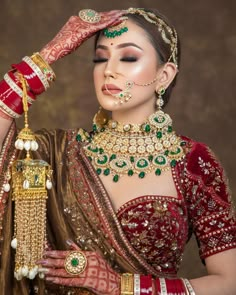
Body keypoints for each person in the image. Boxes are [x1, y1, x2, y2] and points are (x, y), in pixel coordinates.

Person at [0, 7, 235, 295]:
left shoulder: (194, 162)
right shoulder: (56, 153)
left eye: (128, 57)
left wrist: (120, 285)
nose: (108, 70)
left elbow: (228, 282)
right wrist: (51, 53)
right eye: (100, 58)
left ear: (165, 75)